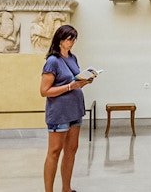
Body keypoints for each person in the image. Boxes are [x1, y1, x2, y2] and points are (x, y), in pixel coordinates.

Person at [40, 25, 92, 192]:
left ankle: (66, 189)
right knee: (54, 152)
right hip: (59, 113)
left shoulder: (72, 58)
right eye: (70, 39)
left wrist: (83, 82)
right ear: (60, 40)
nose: (73, 42)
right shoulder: (52, 61)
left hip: (75, 111)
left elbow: (73, 83)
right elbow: (44, 91)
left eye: (74, 39)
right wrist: (70, 87)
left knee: (71, 150)